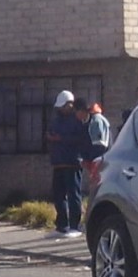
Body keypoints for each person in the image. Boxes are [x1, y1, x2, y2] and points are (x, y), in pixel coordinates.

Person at [46, 90, 87, 238]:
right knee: (58, 195)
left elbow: (80, 139)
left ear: (70, 104)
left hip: (72, 162)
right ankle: (62, 225)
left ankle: (75, 226)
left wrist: (60, 138)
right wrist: (51, 137)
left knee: (73, 194)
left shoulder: (77, 119)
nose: (61, 109)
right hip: (58, 163)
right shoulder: (56, 119)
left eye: (64, 106)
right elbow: (50, 132)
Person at [73, 98, 111, 164]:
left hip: (103, 161)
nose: (75, 115)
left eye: (75, 111)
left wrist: (90, 160)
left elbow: (99, 147)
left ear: (81, 110)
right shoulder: (83, 122)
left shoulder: (96, 121)